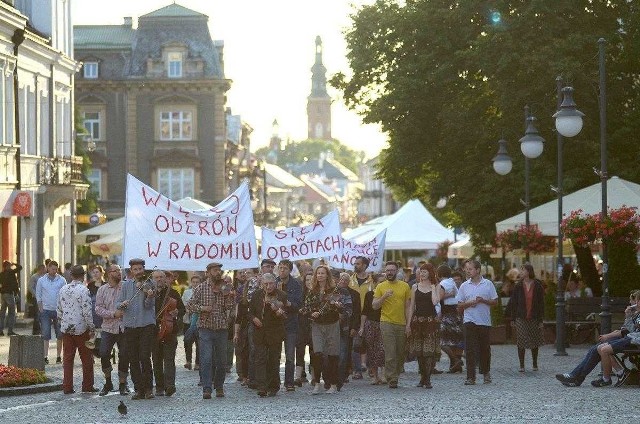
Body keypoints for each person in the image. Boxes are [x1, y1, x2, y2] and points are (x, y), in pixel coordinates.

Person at [556, 290, 640, 387]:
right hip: (630, 338)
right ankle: (576, 377)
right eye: (636, 301)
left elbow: (627, 332)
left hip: (632, 340)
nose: (633, 303)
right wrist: (629, 316)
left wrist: (608, 336)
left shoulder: (637, 314)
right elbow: (629, 329)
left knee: (602, 348)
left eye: (636, 301)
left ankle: (606, 377)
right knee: (598, 348)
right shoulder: (636, 314)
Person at [186, 262, 235, 399]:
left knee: (221, 361)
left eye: (219, 270)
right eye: (215, 270)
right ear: (208, 273)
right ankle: (207, 388)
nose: (218, 272)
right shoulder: (201, 288)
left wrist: (228, 296)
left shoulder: (225, 287)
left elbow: (230, 307)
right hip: (205, 328)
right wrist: (202, 308)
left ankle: (219, 386)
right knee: (206, 359)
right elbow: (190, 305)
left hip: (221, 328)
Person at [300, 265, 345, 394]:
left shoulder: (334, 290)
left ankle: (333, 384)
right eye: (318, 273)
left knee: (333, 355)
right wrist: (311, 313)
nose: (320, 275)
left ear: (327, 275)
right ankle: (317, 383)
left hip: (332, 324)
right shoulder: (312, 291)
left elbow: (342, 309)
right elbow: (306, 308)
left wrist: (337, 306)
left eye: (322, 273)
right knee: (317, 354)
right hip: (317, 325)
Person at [116, 258, 156, 400]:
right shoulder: (126, 285)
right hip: (130, 325)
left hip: (146, 324)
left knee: (144, 356)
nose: (138, 272)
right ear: (131, 271)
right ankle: (139, 389)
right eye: (135, 269)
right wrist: (123, 304)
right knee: (132, 358)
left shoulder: (150, 284)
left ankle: (149, 388)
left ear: (143, 269)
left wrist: (149, 296)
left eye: (140, 269)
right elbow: (117, 303)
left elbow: (148, 306)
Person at [456, 259, 498, 386]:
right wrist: (469, 303)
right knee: (469, 349)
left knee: (484, 348)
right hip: (469, 320)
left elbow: (495, 301)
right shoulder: (464, 286)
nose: (467, 271)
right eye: (466, 269)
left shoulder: (488, 284)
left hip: (484, 321)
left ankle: (486, 373)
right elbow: (459, 305)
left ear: (478, 270)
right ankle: (470, 377)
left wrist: (483, 301)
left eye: (470, 269)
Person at [57, 265, 97, 394]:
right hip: (81, 328)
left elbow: (59, 309)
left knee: (68, 359)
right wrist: (91, 327)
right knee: (87, 358)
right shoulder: (83, 290)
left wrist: (63, 321)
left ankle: (67, 387)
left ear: (71, 275)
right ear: (83, 275)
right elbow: (87, 311)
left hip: (66, 328)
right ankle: (87, 385)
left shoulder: (63, 289)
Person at [372, 261, 412, 389]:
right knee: (390, 351)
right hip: (386, 322)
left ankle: (396, 373)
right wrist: (384, 297)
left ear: (397, 271)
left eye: (392, 270)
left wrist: (408, 324)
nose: (389, 272)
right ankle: (392, 379)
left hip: (401, 323)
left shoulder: (405, 286)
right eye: (387, 270)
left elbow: (408, 306)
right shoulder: (381, 287)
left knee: (400, 352)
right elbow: (374, 305)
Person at [248, 272, 287, 397]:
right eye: (265, 284)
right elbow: (249, 313)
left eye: (270, 284)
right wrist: (254, 319)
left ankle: (273, 386)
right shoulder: (256, 295)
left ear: (275, 284)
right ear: (261, 284)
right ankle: (262, 386)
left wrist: (279, 312)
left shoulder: (281, 295)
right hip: (259, 332)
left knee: (273, 359)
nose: (268, 287)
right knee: (260, 359)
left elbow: (285, 315)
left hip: (274, 332)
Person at [95, 264, 130, 396]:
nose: (119, 273)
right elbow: (98, 308)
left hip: (124, 327)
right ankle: (108, 382)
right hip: (108, 328)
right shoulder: (102, 290)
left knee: (124, 355)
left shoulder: (126, 287)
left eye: (119, 270)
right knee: (103, 353)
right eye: (115, 271)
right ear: (109, 273)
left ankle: (123, 383)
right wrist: (112, 314)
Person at [406, 263, 440, 388]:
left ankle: (428, 378)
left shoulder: (436, 285)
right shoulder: (414, 286)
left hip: (430, 321)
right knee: (419, 352)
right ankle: (422, 377)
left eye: (425, 271)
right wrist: (408, 324)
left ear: (430, 273)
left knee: (429, 351)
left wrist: (432, 288)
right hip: (417, 321)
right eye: (421, 271)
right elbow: (411, 306)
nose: (422, 273)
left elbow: (435, 301)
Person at [152, 270, 185, 397]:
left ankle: (170, 385)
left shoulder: (173, 293)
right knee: (157, 359)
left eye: (161, 277)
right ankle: (159, 386)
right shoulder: (149, 294)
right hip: (154, 330)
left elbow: (182, 309)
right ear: (153, 279)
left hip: (170, 329)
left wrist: (177, 311)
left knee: (169, 359)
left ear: (165, 279)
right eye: (156, 277)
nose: (159, 279)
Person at [507, 264, 544, 372]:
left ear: (529, 271)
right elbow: (514, 302)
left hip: (534, 317)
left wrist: (541, 319)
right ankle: (522, 365)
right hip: (521, 317)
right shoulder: (518, 286)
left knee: (534, 340)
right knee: (521, 340)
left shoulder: (537, 285)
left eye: (523, 270)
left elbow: (541, 303)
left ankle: (534, 363)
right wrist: (513, 318)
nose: (521, 273)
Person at [275, 259, 303, 391]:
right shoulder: (273, 282)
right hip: (275, 324)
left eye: (284, 268)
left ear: (289, 270)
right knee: (274, 355)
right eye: (280, 268)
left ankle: (289, 382)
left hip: (290, 324)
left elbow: (298, 304)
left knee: (290, 356)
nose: (282, 270)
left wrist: (286, 302)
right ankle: (274, 382)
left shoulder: (296, 284)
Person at [348, 256, 376, 379]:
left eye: (358, 263)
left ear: (364, 265)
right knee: (355, 343)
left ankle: (371, 367)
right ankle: (357, 370)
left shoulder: (373, 281)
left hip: (369, 315)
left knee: (370, 342)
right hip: (354, 315)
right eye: (355, 263)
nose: (355, 265)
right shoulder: (350, 280)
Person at [36, 260, 66, 364]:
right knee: (45, 333)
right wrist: (40, 307)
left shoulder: (62, 280)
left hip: (58, 310)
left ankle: (58, 356)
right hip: (45, 310)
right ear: (48, 268)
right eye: (52, 269)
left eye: (56, 269)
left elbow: (65, 294)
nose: (54, 271)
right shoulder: (41, 280)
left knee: (60, 334)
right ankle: (45, 357)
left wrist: (63, 308)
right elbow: (38, 294)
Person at [359, 270, 385, 385]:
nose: (382, 284)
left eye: (384, 282)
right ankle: (375, 375)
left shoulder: (388, 294)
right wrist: (361, 327)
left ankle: (384, 374)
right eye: (380, 282)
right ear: (374, 283)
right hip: (371, 323)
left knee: (383, 349)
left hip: (384, 323)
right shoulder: (370, 295)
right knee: (372, 350)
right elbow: (365, 311)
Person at [437, 264, 464, 373]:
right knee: (454, 340)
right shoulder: (452, 282)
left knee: (442, 341)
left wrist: (447, 295)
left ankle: (455, 360)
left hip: (447, 313)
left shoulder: (442, 284)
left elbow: (439, 298)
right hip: (455, 312)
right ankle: (455, 366)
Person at [294, 271, 313, 386]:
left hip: (314, 325)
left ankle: (315, 377)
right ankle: (299, 376)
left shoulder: (319, 293)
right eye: (307, 280)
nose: (309, 282)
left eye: (311, 280)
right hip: (301, 325)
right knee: (300, 351)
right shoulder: (301, 294)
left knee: (314, 351)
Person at [336, 273, 356, 388]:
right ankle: (330, 378)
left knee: (342, 355)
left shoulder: (345, 293)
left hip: (343, 328)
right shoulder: (324, 291)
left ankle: (340, 379)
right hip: (327, 329)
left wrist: (340, 309)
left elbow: (350, 311)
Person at [182, 274, 202, 371]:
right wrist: (187, 310)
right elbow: (183, 304)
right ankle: (188, 361)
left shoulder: (203, 292)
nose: (195, 284)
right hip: (187, 320)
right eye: (193, 282)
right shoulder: (187, 292)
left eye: (197, 282)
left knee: (199, 342)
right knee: (187, 340)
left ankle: (197, 363)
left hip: (199, 320)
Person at [0, 260, 22, 336]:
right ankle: (10, 331)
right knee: (11, 313)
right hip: (9, 294)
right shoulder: (11, 272)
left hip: (3, 294)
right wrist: (14, 264)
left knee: (2, 313)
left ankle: (0, 330)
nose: (10, 267)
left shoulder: (1, 274)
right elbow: (20, 267)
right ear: (6, 267)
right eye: (9, 265)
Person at [28, 264, 46, 335]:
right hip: (36, 299)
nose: (45, 270)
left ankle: (42, 330)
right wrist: (36, 295)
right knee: (37, 315)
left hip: (44, 298)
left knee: (43, 314)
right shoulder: (34, 277)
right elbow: (30, 287)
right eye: (44, 269)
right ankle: (35, 331)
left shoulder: (45, 277)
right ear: (40, 269)